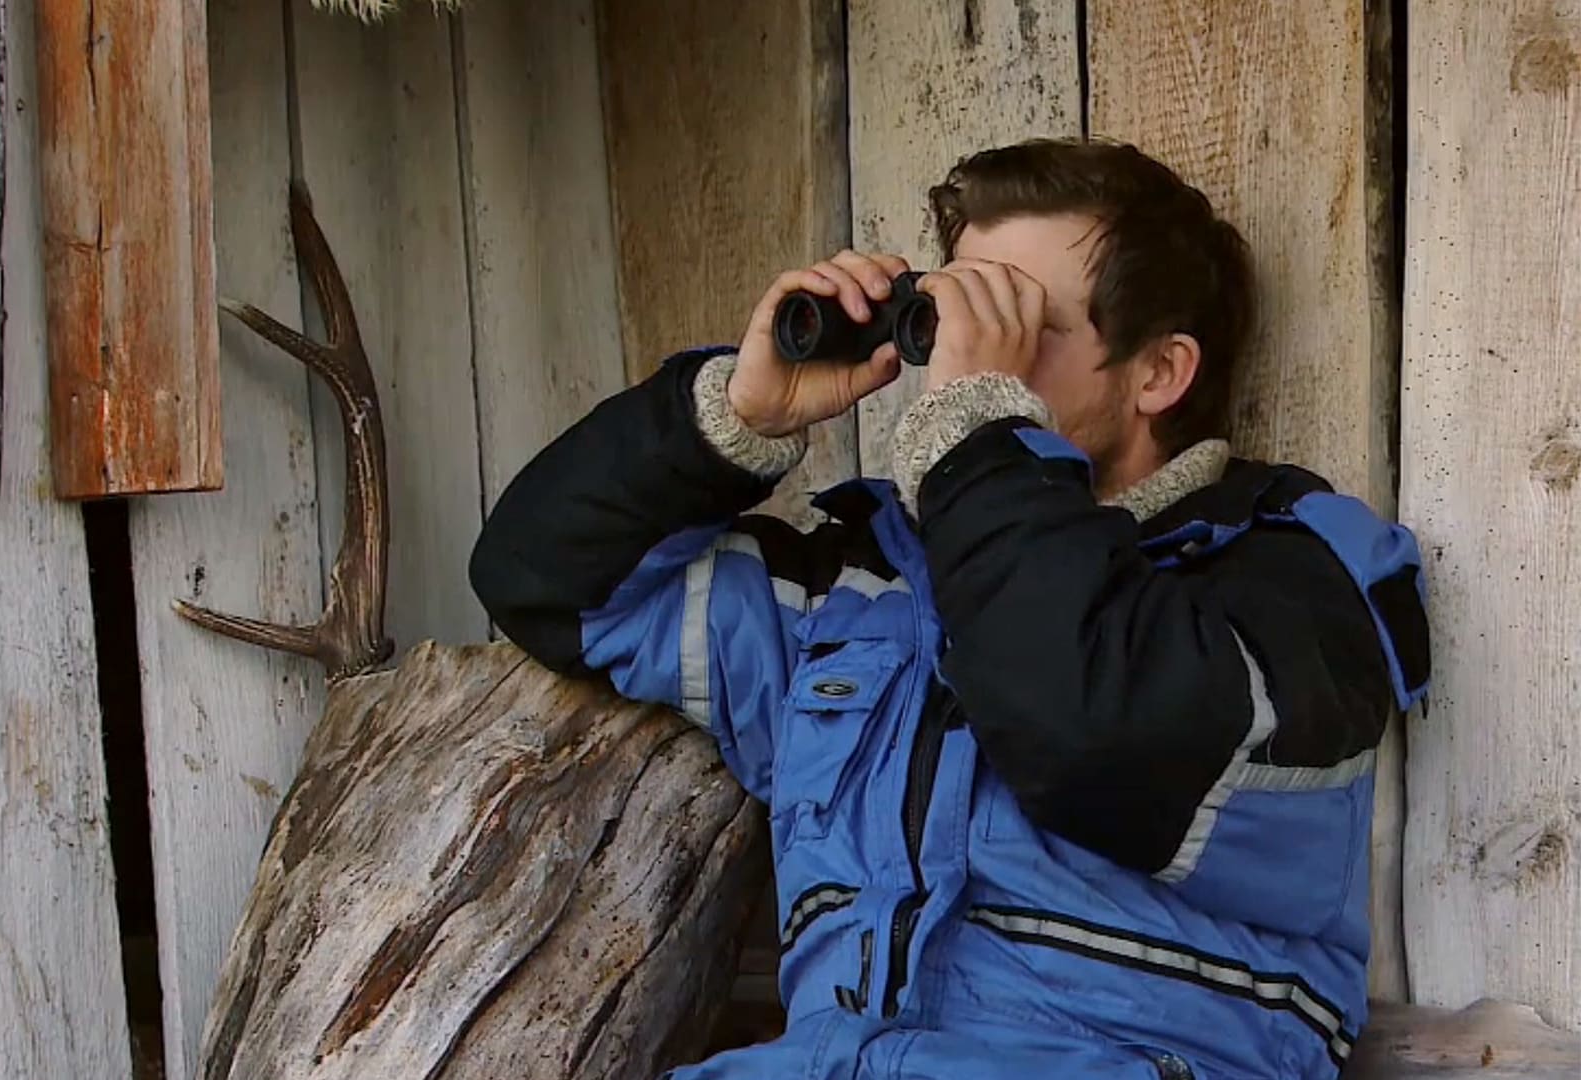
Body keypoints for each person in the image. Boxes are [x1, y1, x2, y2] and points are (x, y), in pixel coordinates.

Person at [468, 138, 1430, 1080]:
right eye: (956, 314)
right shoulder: (855, 592)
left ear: (1158, 372)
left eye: (1018, 323)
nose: (967, 360)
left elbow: (1091, 728)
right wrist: (736, 415)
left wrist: (978, 440)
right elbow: (545, 581)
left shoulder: (1295, 581)